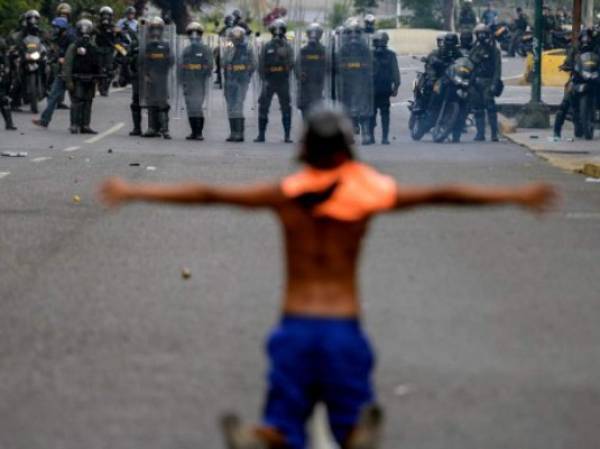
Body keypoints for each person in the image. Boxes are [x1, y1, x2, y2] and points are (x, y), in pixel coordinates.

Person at [99, 103, 557, 449]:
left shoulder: (285, 195)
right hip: (342, 328)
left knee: (284, 419)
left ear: (304, 150)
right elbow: (442, 193)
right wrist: (515, 195)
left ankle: (272, 433)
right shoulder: (368, 194)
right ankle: (352, 432)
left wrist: (135, 190)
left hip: (295, 328)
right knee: (351, 424)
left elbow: (208, 193)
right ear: (346, 148)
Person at [254, 19, 294, 143]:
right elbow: (261, 64)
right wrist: (263, 79)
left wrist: (284, 59)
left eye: (280, 30)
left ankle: (287, 135)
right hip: (269, 81)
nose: (278, 32)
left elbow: (292, 63)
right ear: (271, 32)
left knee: (286, 107)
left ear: (283, 32)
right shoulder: (267, 46)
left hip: (282, 80)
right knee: (263, 107)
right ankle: (261, 135)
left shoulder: (287, 47)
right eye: (275, 30)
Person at [32, 17, 75, 129]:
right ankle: (44, 120)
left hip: (71, 72)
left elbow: (74, 55)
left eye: (56, 27)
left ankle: (75, 124)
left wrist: (65, 59)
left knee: (75, 99)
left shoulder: (71, 38)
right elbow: (53, 50)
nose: (54, 29)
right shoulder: (57, 38)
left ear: (62, 28)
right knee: (52, 96)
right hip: (62, 72)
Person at [553, 28, 595, 140]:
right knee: (565, 102)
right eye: (584, 39)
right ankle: (557, 131)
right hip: (577, 78)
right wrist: (566, 65)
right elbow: (568, 61)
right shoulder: (575, 48)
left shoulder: (597, 48)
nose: (586, 41)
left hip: (594, 78)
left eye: (589, 38)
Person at [336, 20, 374, 145]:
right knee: (347, 110)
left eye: (356, 32)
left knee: (364, 109)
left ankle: (366, 134)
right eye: (350, 32)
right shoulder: (343, 49)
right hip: (346, 83)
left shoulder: (364, 49)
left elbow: (371, 64)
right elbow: (338, 65)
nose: (353, 35)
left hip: (362, 82)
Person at [63, 19, 101, 134]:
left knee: (88, 102)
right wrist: (68, 81)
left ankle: (85, 125)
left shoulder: (92, 46)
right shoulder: (74, 46)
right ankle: (74, 124)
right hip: (77, 78)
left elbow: (97, 63)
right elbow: (68, 64)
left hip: (90, 79)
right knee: (77, 101)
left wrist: (98, 77)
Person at [140, 17, 175, 139]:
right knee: (151, 103)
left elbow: (171, 61)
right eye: (153, 29)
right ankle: (152, 128)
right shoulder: (148, 46)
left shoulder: (166, 45)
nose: (155, 32)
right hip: (151, 78)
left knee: (162, 103)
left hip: (163, 77)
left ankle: (164, 129)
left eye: (158, 29)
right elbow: (144, 62)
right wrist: (146, 75)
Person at [178, 22, 214, 141]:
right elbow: (180, 65)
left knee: (197, 107)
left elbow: (209, 66)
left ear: (200, 34)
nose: (194, 35)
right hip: (188, 82)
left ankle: (199, 132)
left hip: (199, 83)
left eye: (197, 33)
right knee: (190, 107)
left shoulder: (205, 49)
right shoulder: (186, 50)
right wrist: (180, 80)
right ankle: (193, 131)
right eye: (191, 33)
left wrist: (201, 75)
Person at [222, 26, 256, 142]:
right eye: (233, 37)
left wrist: (246, 76)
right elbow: (223, 63)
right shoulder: (228, 48)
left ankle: (239, 134)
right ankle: (233, 133)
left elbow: (253, 64)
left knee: (238, 105)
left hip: (241, 81)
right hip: (230, 81)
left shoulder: (248, 49)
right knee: (231, 107)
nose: (235, 40)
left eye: (237, 37)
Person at [469, 24, 502, 142]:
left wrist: (494, 83)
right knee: (478, 108)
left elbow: (497, 68)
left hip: (488, 81)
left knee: (490, 107)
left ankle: (494, 134)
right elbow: (469, 63)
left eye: (483, 33)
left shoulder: (493, 49)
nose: (481, 36)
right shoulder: (475, 48)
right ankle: (480, 133)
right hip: (475, 81)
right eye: (479, 34)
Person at [370, 31, 400, 145]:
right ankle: (384, 138)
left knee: (372, 114)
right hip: (384, 88)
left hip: (374, 89)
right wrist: (396, 86)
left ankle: (372, 137)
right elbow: (395, 72)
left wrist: (396, 86)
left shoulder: (369, 54)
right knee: (384, 114)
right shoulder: (391, 54)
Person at [295, 23, 327, 120]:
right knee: (305, 108)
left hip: (318, 85)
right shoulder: (303, 50)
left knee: (318, 109)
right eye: (312, 33)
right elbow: (297, 66)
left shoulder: (324, 51)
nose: (314, 35)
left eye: (316, 33)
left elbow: (329, 66)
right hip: (305, 84)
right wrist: (300, 74)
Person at [96, 6, 116, 97]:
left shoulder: (113, 27)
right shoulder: (97, 26)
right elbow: (90, 33)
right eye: (104, 15)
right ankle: (100, 86)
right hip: (99, 50)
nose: (106, 17)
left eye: (107, 15)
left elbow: (120, 37)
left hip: (109, 50)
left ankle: (106, 88)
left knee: (110, 70)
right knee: (98, 69)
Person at [0, 43, 17, 130]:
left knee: (4, 101)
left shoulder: (5, 57)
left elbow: (10, 70)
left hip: (3, 82)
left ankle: (9, 123)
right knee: (4, 101)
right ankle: (9, 124)